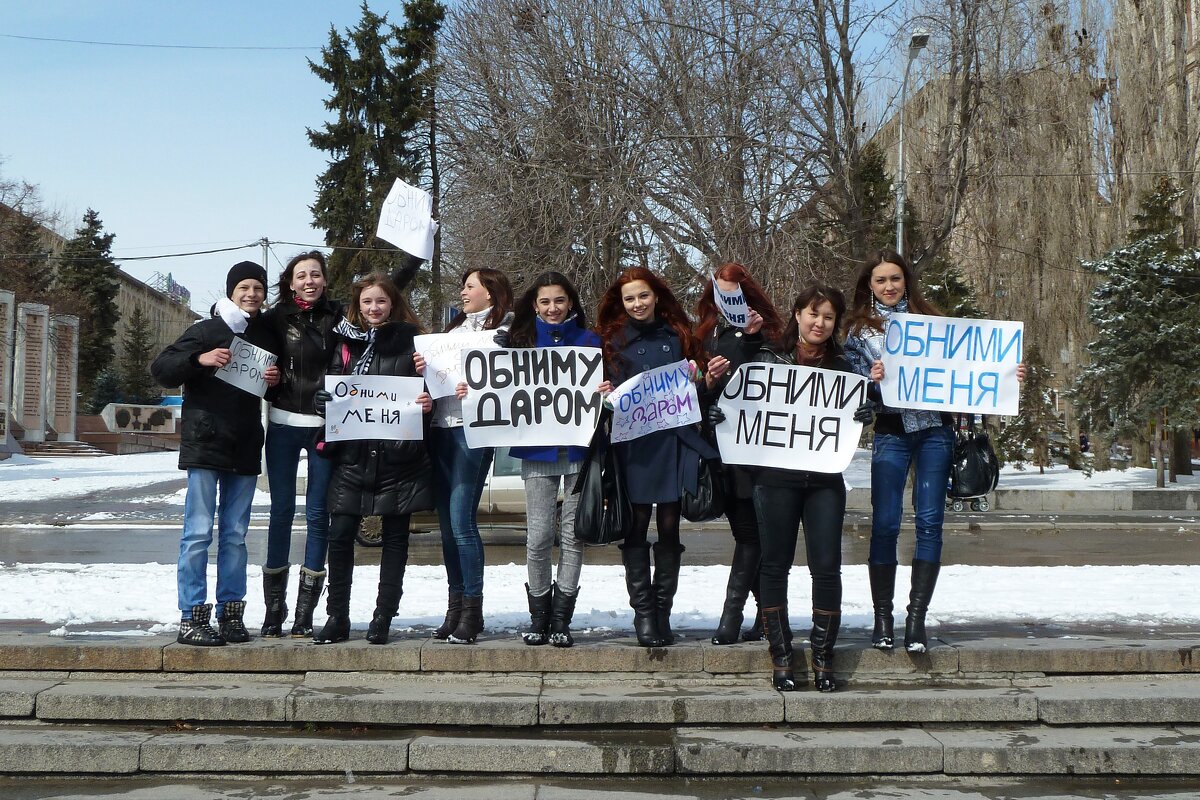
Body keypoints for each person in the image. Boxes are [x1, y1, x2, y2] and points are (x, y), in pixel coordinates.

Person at [709, 286, 872, 691]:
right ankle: (781, 655)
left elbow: (853, 414)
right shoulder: (767, 357)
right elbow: (732, 396)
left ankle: (822, 657)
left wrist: (869, 410)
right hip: (774, 479)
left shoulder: (846, 364)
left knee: (826, 567)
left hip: (824, 481)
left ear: (836, 324)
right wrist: (717, 409)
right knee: (774, 565)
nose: (820, 323)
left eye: (829, 317)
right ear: (797, 314)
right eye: (813, 314)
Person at [258, 252, 423, 639]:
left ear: (326, 281)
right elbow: (245, 337)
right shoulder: (275, 318)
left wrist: (414, 256)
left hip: (333, 431)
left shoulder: (341, 319)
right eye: (302, 275)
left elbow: (382, 291)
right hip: (290, 423)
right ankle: (275, 610)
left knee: (320, 516)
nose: (309, 281)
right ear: (290, 281)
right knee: (282, 512)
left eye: (316, 274)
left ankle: (307, 614)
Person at [595, 267, 729, 647]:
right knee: (637, 524)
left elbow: (696, 395)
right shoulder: (611, 342)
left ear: (656, 297)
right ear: (621, 304)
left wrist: (706, 382)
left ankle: (662, 611)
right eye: (629, 299)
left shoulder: (679, 335)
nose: (638, 304)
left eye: (643, 296)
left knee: (670, 525)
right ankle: (644, 616)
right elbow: (602, 399)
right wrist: (603, 393)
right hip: (635, 446)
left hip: (675, 441)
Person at [151, 261, 281, 646]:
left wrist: (275, 382)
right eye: (244, 287)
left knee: (237, 534)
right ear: (231, 291)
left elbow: (271, 391)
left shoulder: (265, 335)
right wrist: (199, 360)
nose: (251, 294)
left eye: (258, 287)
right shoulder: (205, 331)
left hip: (244, 443)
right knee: (197, 533)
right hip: (206, 442)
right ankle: (191, 616)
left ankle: (231, 614)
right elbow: (162, 369)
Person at [311, 274, 434, 645]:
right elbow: (331, 385)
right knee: (340, 535)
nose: (373, 308)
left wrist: (427, 402)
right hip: (352, 455)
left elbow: (432, 386)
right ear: (358, 306)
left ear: (392, 304)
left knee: (396, 540)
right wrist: (323, 400)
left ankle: (383, 616)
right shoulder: (346, 343)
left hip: (399, 457)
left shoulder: (412, 342)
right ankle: (337, 616)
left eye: (380, 301)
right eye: (367, 302)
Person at [414, 268, 514, 644]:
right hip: (440, 429)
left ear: (491, 292)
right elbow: (435, 379)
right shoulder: (452, 331)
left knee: (461, 521)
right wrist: (423, 373)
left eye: (470, 286)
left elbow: (511, 380)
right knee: (446, 527)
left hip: (472, 432)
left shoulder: (503, 333)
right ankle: (454, 607)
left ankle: (472, 609)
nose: (463, 291)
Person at [505, 271, 602, 648]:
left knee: (573, 536)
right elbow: (495, 386)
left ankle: (561, 620)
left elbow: (599, 391)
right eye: (545, 302)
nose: (552, 308)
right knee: (539, 536)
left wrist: (603, 391)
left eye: (559, 301)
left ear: (571, 303)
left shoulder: (589, 341)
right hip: (537, 449)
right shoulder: (518, 342)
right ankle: (538, 618)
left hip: (579, 449)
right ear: (534, 305)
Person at [694, 263, 784, 646]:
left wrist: (751, 338)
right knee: (749, 536)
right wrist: (707, 387)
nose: (729, 302)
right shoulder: (704, 335)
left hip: (760, 451)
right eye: (722, 294)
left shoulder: (770, 335)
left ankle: (731, 618)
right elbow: (693, 394)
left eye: (736, 294)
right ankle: (769, 620)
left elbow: (774, 384)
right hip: (722, 447)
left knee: (752, 537)